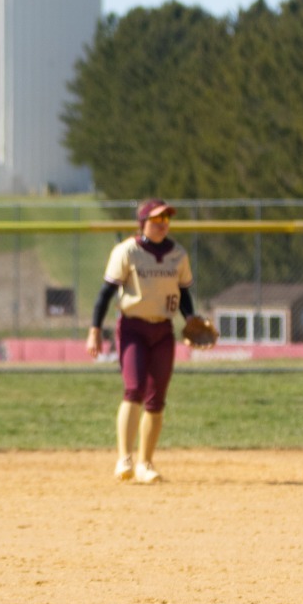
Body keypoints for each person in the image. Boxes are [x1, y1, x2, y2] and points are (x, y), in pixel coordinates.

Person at [85, 199, 198, 485]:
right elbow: (104, 294)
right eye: (157, 219)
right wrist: (94, 329)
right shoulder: (127, 251)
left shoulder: (177, 254)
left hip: (163, 329)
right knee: (133, 388)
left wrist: (192, 320)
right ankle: (125, 458)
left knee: (156, 398)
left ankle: (146, 463)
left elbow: (184, 293)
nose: (162, 224)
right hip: (133, 327)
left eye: (166, 219)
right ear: (143, 222)